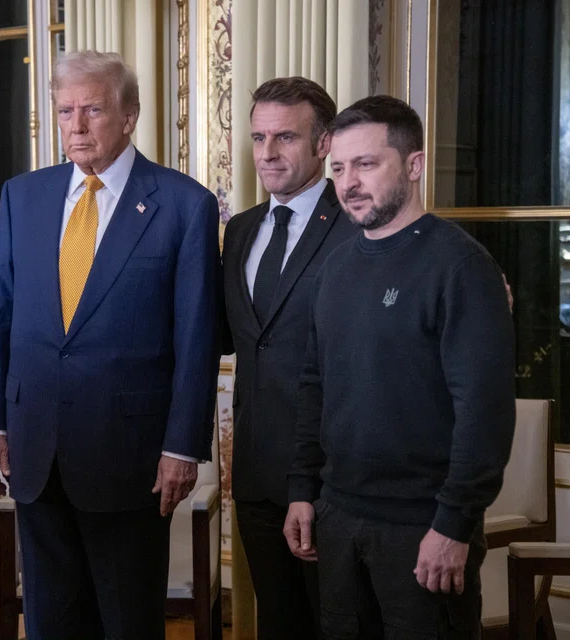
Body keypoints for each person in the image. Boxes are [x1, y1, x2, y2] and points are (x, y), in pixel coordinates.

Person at [0, 51, 221, 640]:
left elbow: (197, 339)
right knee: (51, 621)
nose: (77, 126)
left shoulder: (184, 205)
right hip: (35, 449)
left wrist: (182, 446)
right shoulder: (22, 196)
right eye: (65, 111)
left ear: (129, 116)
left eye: (93, 110)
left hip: (131, 457)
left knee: (128, 623)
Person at [284, 95, 516, 639]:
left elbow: (483, 411)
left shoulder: (461, 267)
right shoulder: (335, 268)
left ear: (414, 165)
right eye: (339, 168)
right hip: (337, 516)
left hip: (424, 524)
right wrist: (301, 489)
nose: (349, 183)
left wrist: (454, 524)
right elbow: (315, 385)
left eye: (366, 164)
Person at [221, 77, 355, 639]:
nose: (268, 153)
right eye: (258, 138)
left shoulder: (355, 225)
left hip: (329, 479)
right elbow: (230, 336)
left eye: (285, 137)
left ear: (324, 143)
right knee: (278, 624)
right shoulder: (241, 229)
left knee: (336, 626)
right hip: (254, 475)